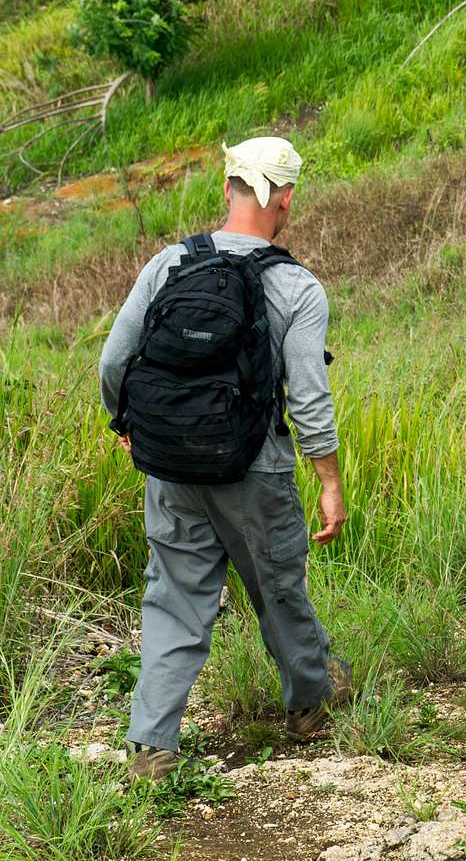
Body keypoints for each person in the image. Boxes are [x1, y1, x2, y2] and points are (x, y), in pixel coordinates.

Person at [98, 137, 351, 782]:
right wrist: (328, 481)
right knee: (277, 586)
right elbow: (309, 398)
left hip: (173, 467)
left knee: (174, 599)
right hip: (254, 470)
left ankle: (151, 747)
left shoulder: (168, 264)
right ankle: (310, 703)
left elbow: (113, 362)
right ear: (286, 197)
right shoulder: (296, 286)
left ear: (228, 190)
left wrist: (127, 425)